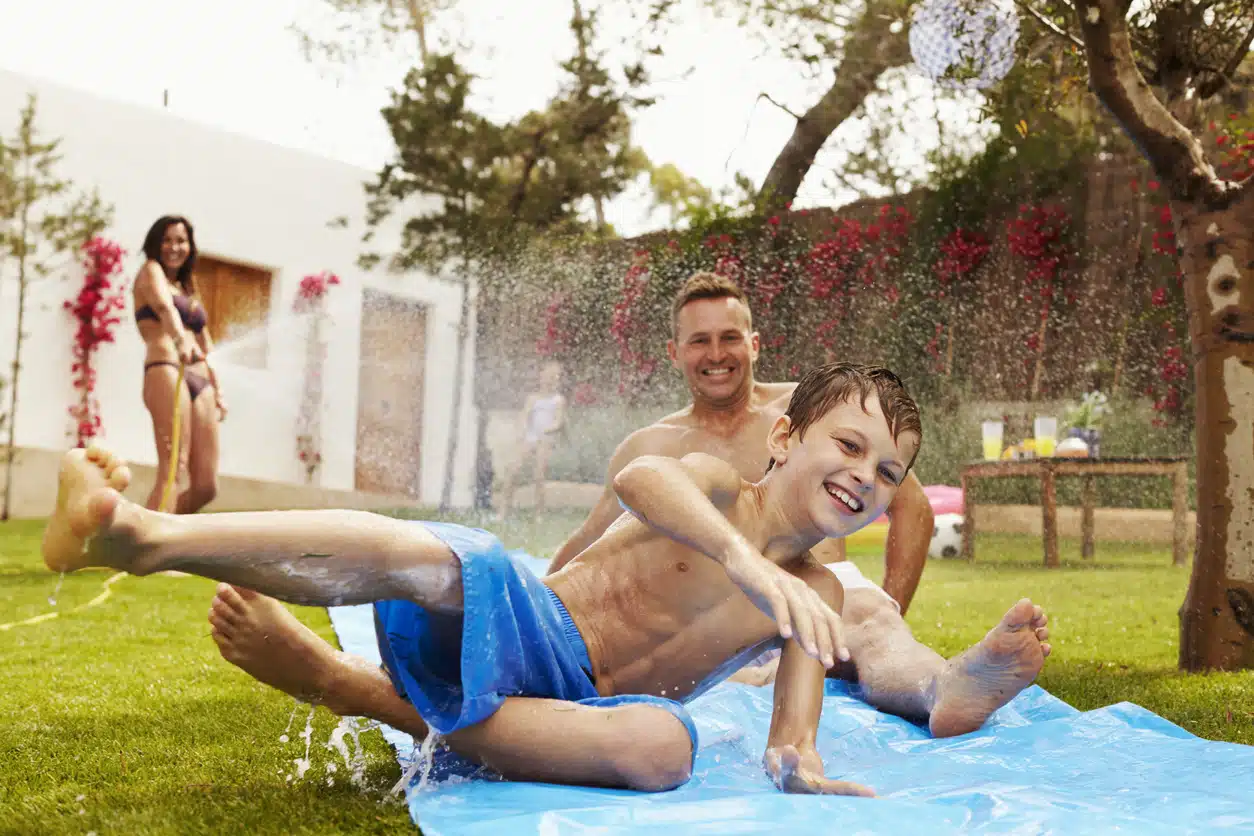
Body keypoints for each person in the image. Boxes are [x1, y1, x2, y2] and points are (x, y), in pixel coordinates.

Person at [43, 364, 1051, 796]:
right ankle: (141, 535)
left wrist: (803, 767)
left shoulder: (820, 600)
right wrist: (745, 557)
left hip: (571, 714)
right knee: (451, 557)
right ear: (785, 437)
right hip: (523, 628)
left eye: (887, 471)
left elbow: (792, 738)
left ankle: (351, 687)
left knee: (667, 745)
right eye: (849, 443)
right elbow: (637, 476)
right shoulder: (711, 484)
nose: (865, 477)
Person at [546, 272, 934, 683]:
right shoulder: (650, 445)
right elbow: (592, 540)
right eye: (699, 341)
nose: (716, 354)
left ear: (754, 344)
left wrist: (892, 601)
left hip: (825, 587)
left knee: (873, 622)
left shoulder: (816, 411)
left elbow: (914, 507)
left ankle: (938, 691)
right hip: (721, 619)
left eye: (730, 337)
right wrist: (543, 593)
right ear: (674, 352)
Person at [132, 215, 227, 512]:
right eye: (167, 239)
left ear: (190, 246)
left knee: (205, 486)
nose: (174, 246)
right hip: (166, 368)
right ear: (156, 244)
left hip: (201, 382)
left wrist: (218, 389)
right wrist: (179, 339)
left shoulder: (188, 289)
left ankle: (158, 535)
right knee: (175, 469)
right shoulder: (151, 271)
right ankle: (146, 552)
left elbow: (206, 344)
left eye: (181, 240)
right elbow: (163, 307)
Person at [497, 360, 567, 517]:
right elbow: (524, 416)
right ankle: (503, 511)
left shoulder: (558, 400)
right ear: (541, 378)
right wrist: (521, 432)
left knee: (539, 476)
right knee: (512, 471)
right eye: (547, 376)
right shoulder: (533, 398)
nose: (550, 381)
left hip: (545, 438)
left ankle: (539, 513)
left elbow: (558, 421)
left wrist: (549, 430)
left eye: (554, 377)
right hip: (531, 437)